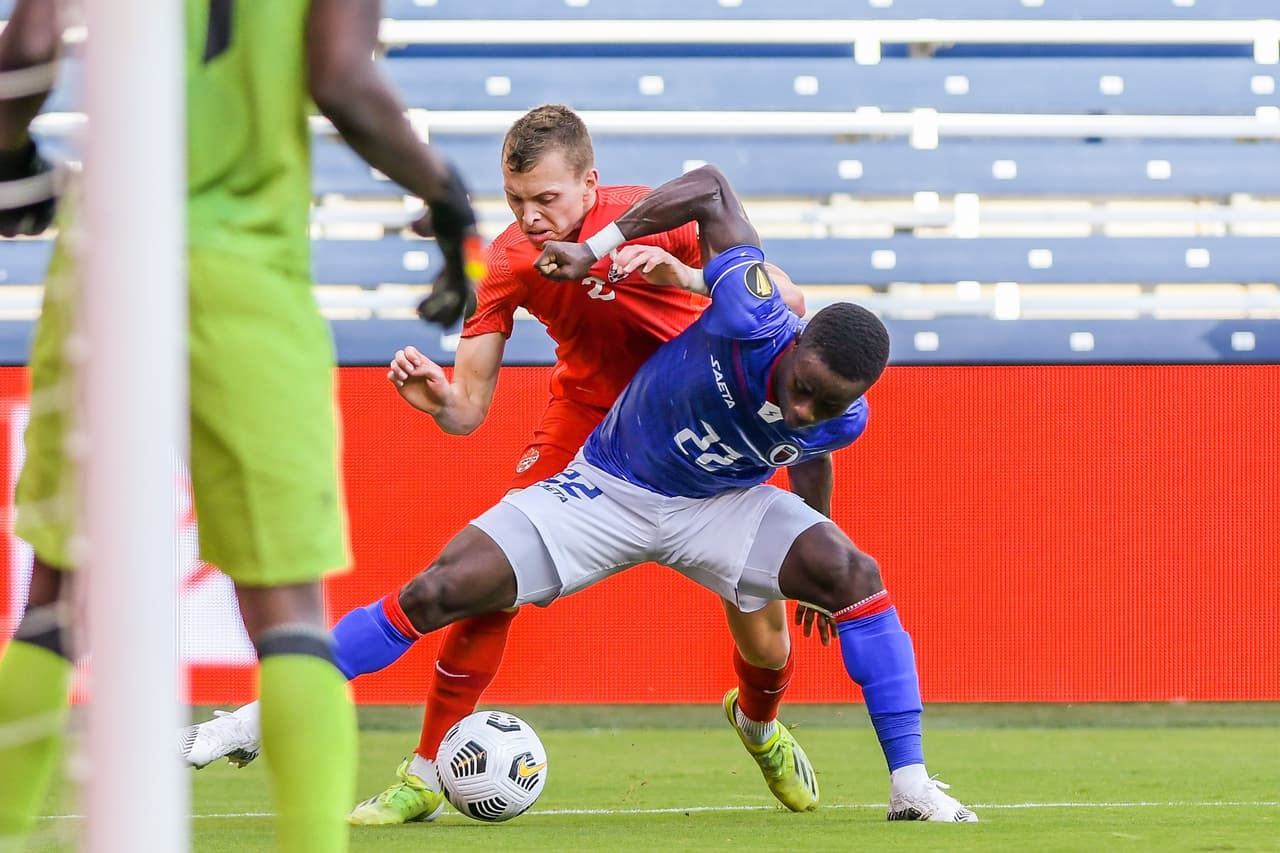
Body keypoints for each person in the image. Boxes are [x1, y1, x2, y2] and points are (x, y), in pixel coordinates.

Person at [200, 162, 980, 824]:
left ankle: (905, 783)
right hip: (608, 485)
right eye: (804, 387)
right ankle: (256, 721)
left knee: (852, 578)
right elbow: (708, 186)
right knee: (446, 587)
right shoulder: (749, 306)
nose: (805, 408)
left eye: (828, 403)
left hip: (724, 507)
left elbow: (808, 452)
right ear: (797, 341)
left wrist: (818, 538)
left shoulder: (842, 418)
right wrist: (602, 249)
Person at [0, 1, 483, 850]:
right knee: (289, 613)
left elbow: (27, 50)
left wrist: (10, 162)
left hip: (102, 261)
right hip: (247, 273)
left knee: (55, 602)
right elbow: (339, 76)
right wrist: (449, 203)